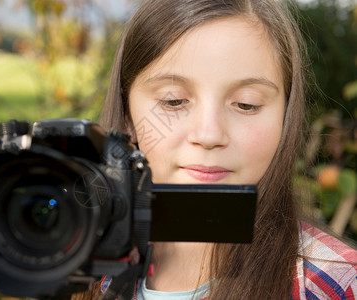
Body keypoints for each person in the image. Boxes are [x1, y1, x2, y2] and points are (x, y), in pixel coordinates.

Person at [73, 0, 357, 299]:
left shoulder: (338, 285)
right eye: (173, 101)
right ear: (128, 115)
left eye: (246, 104)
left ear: (285, 116)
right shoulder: (64, 264)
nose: (209, 135)